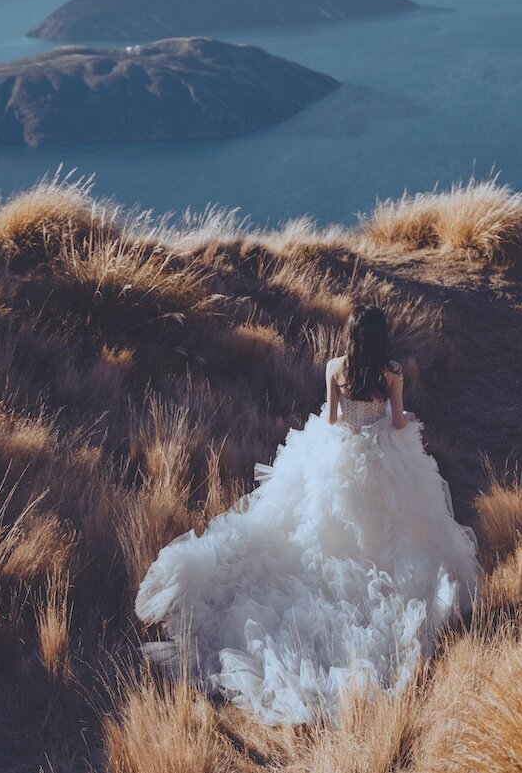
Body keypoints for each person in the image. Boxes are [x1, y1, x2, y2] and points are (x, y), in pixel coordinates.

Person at [134, 304, 479, 725]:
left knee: (311, 529)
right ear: (380, 338)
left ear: (351, 337)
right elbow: (399, 424)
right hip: (381, 456)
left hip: (339, 456)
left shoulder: (336, 367)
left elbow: (332, 418)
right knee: (394, 530)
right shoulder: (391, 371)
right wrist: (402, 417)